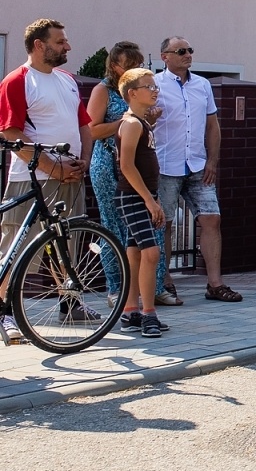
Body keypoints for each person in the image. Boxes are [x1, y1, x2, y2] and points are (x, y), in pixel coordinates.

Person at [0, 19, 94, 343]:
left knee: (67, 242)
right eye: (60, 41)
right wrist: (54, 169)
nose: (67, 46)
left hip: (70, 175)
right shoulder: (18, 80)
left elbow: (84, 124)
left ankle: (71, 304)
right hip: (32, 179)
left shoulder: (67, 79)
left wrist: (86, 160)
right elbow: (11, 133)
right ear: (40, 45)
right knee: (16, 248)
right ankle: (5, 313)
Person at [154, 36, 240, 302]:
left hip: (198, 165)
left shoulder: (202, 85)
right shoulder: (154, 84)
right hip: (166, 165)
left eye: (190, 50)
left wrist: (212, 161)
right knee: (164, 224)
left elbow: (212, 126)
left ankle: (215, 284)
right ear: (165, 56)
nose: (188, 54)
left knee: (212, 218)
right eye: (181, 51)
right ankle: (164, 280)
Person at [86, 42, 151, 300]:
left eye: (139, 64)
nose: (136, 69)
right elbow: (92, 129)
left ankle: (143, 290)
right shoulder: (103, 90)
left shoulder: (136, 91)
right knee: (112, 226)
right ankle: (116, 289)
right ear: (115, 66)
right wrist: (124, 123)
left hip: (134, 162)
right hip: (107, 164)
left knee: (138, 228)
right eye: (130, 64)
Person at [114, 68, 168, 338]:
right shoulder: (132, 124)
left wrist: (152, 196)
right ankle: (149, 314)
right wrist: (149, 200)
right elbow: (126, 165)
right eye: (148, 86)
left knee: (135, 253)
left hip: (142, 196)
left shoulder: (141, 122)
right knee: (151, 253)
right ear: (133, 94)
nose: (154, 90)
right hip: (133, 198)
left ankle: (130, 310)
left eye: (155, 86)